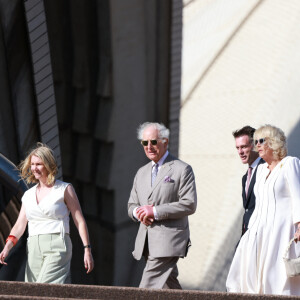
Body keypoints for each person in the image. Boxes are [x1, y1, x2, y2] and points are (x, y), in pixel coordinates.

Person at [0, 143, 94, 283]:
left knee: (43, 289)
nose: (34, 168)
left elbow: (79, 221)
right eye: (32, 164)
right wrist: (7, 247)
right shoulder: (28, 195)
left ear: (49, 165)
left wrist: (87, 249)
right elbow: (20, 225)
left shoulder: (65, 189)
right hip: (33, 247)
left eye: (39, 164)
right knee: (32, 293)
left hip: (57, 245)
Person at [226, 124, 300, 295]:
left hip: (282, 232)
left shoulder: (290, 163)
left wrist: (299, 224)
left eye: (261, 141)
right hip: (258, 232)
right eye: (255, 141)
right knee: (248, 277)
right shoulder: (261, 171)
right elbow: (259, 205)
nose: (256, 145)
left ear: (273, 143)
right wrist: (249, 234)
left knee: (278, 278)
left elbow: (298, 195)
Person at [128, 122, 197, 289]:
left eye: (154, 141)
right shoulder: (141, 172)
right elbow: (131, 205)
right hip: (146, 241)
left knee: (147, 287)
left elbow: (189, 204)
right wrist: (139, 213)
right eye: (145, 143)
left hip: (169, 240)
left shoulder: (182, 169)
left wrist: (155, 211)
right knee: (169, 287)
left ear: (165, 142)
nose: (149, 146)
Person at [232, 126, 264, 235]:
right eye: (237, 148)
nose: (240, 152)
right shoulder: (245, 178)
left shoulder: (267, 168)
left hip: (262, 235)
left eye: (244, 147)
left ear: (255, 145)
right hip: (247, 235)